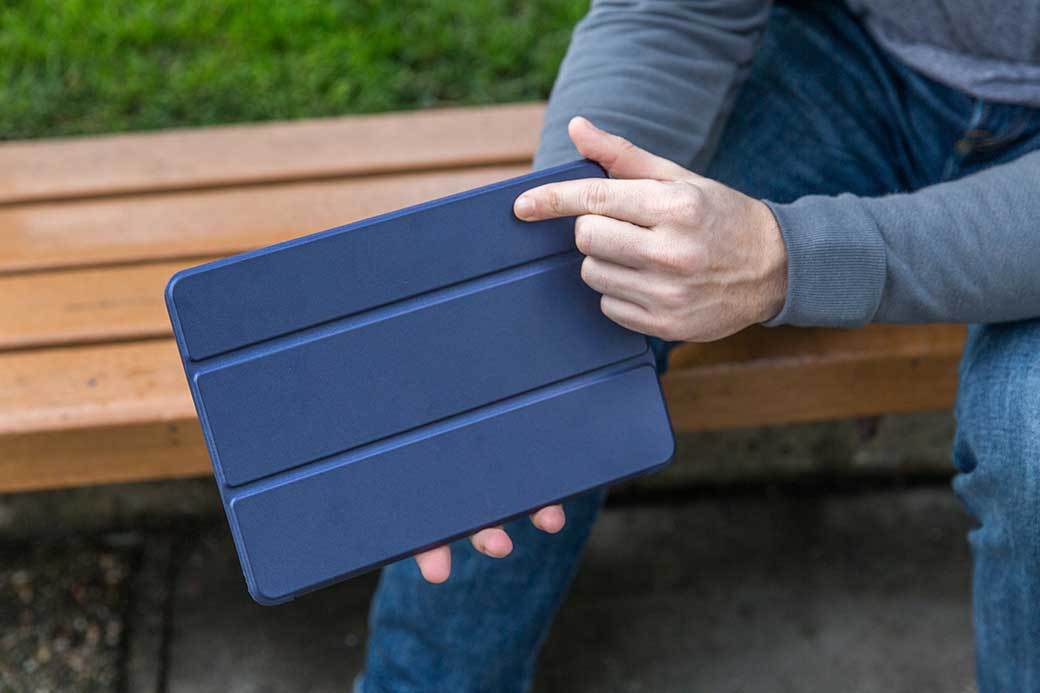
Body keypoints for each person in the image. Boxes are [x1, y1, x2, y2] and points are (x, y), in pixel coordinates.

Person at [358, 1, 1040, 691]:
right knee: (549, 317)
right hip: (859, 50)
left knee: (1033, 443)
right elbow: (674, 14)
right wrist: (566, 235)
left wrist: (788, 258)